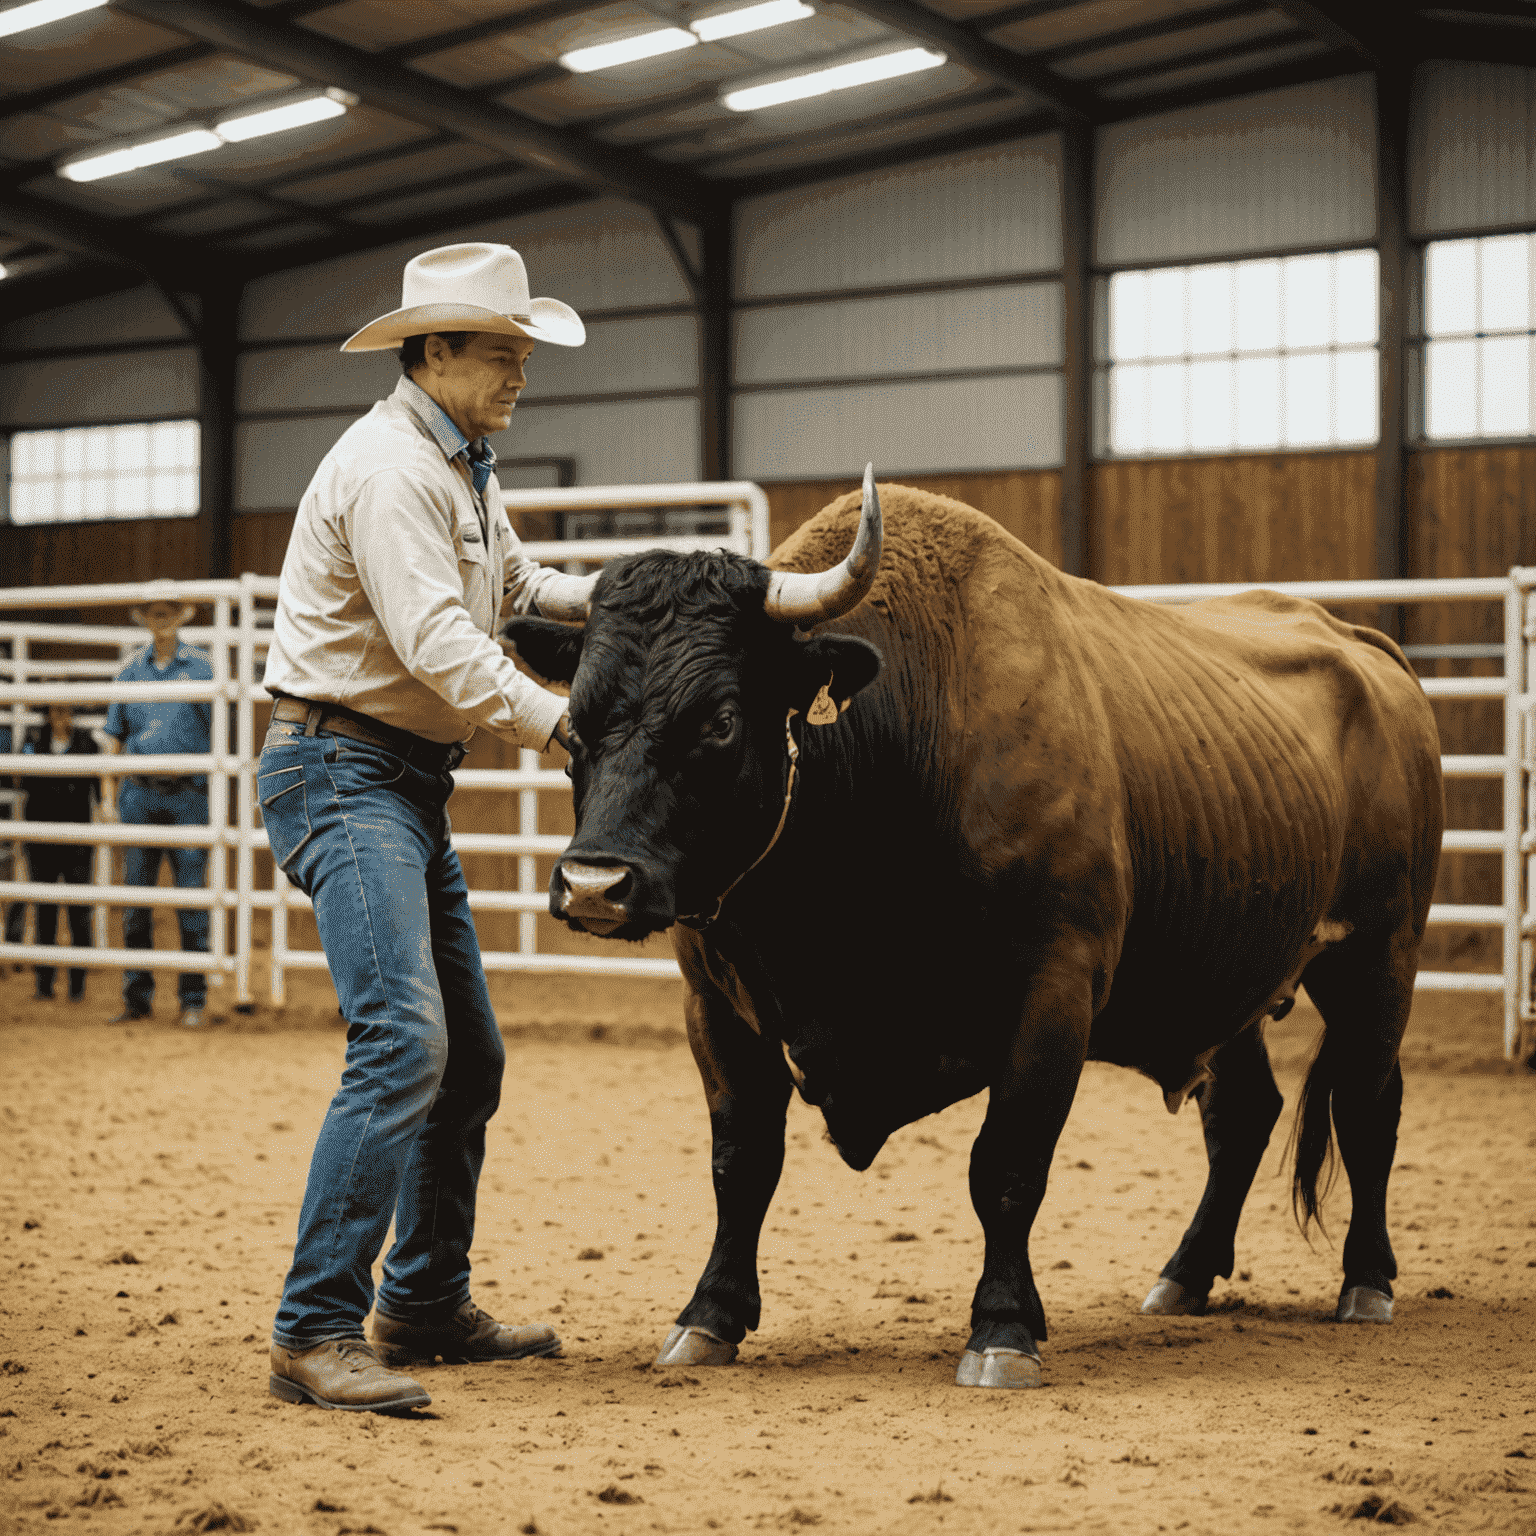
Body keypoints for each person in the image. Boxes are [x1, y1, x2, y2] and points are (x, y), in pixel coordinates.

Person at [259, 242, 592, 1415]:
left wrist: (614, 594)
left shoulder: (462, 463)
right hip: (342, 771)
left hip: (390, 778)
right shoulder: (396, 472)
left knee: (465, 1058)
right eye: (500, 351)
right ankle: (314, 1329)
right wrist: (563, 724)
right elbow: (439, 641)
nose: (519, 373)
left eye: (520, 352)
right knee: (406, 1042)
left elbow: (512, 587)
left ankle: (424, 1301)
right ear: (433, 350)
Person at [101, 587, 214, 1028]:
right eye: (153, 610)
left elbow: (222, 732)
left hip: (187, 794)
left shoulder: (202, 668)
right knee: (136, 899)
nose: (160, 615)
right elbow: (115, 736)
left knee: (190, 898)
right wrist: (111, 796)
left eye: (166, 609)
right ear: (146, 617)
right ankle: (137, 997)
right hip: (141, 794)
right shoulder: (130, 671)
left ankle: (193, 998)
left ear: (179, 615)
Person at [17, 704, 100, 1001]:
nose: (60, 717)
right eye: (55, 711)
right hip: (41, 837)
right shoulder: (34, 740)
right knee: (45, 911)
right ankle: (44, 983)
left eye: (65, 711)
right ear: (48, 714)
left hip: (76, 838)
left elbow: (97, 785)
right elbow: (22, 781)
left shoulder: (85, 741)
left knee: (79, 912)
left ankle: (78, 985)